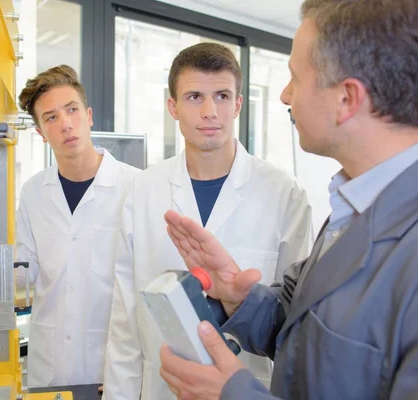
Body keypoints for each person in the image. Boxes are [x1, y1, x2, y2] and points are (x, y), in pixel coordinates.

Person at [159, 0, 418, 399]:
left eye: (295, 78)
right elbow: (299, 328)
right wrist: (239, 298)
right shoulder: (353, 204)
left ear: (347, 99)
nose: (285, 96)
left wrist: (234, 395)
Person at [102, 43, 314, 400]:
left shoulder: (285, 194)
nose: (210, 111)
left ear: (238, 105)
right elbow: (125, 316)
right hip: (163, 388)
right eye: (194, 97)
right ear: (173, 106)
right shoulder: (144, 189)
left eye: (222, 96)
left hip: (248, 387)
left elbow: (295, 320)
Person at [15, 65, 140, 388]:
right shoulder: (32, 192)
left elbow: (148, 281)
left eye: (71, 110)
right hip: (49, 366)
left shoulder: (136, 187)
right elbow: (22, 269)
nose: (65, 124)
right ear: (41, 132)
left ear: (89, 115)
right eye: (51, 117)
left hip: (112, 367)